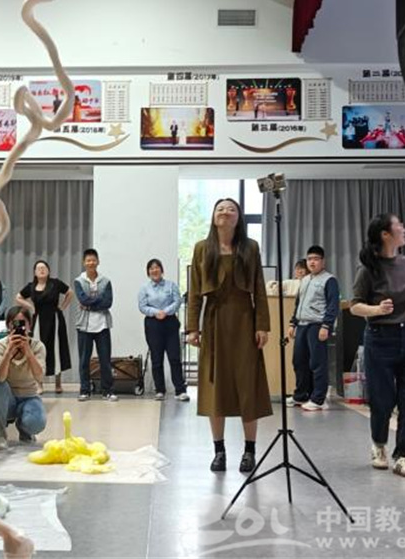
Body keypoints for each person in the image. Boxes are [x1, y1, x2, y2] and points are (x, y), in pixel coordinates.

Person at [187, 199, 271, 473]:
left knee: (248, 386)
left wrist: (262, 325)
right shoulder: (202, 248)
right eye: (220, 209)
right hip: (213, 322)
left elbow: (259, 288)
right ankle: (219, 451)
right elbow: (194, 291)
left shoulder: (250, 247)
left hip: (245, 320)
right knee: (216, 388)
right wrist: (192, 327)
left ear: (239, 218)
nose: (225, 212)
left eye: (231, 209)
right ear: (213, 217)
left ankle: (249, 451)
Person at [350, 213, 405, 479]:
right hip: (380, 339)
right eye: (399, 226)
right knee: (382, 401)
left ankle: (403, 456)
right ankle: (379, 445)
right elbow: (355, 306)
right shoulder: (368, 269)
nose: (404, 229)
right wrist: (376, 309)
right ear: (385, 234)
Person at [286, 245, 340, 411]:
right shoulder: (305, 280)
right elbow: (298, 303)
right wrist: (293, 323)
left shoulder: (329, 280)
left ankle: (318, 399)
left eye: (316, 259)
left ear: (323, 261)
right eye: (309, 259)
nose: (312, 262)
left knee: (317, 363)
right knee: (299, 361)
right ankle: (301, 395)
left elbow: (333, 305)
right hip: (302, 325)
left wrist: (326, 326)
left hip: (317, 325)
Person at [0, 306, 47, 449]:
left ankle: (25, 430)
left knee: (36, 423)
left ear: (29, 326)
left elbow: (39, 377)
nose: (19, 327)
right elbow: (0, 378)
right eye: (14, 323)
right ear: (8, 326)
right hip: (7, 399)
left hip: (29, 396)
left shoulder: (38, 346)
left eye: (23, 323)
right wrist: (8, 352)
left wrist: (28, 351)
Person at [16, 260, 74, 394]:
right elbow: (18, 297)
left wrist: (63, 306)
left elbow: (70, 292)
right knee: (38, 350)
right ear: (35, 272)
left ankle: (58, 384)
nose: (41, 270)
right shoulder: (31, 286)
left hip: (55, 320)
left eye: (44, 268)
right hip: (38, 321)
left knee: (57, 349)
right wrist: (30, 306)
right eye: (38, 268)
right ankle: (39, 384)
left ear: (48, 271)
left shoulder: (55, 283)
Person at [138, 258, 189, 402]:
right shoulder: (144, 289)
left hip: (170, 323)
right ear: (148, 272)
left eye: (157, 267)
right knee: (156, 358)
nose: (154, 270)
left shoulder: (171, 285)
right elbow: (142, 306)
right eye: (151, 268)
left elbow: (177, 301)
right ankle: (160, 390)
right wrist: (156, 312)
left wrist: (165, 312)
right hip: (153, 324)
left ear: (162, 270)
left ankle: (180, 390)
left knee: (174, 357)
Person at [73, 248, 117, 402]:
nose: (91, 263)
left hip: (102, 325)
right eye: (88, 260)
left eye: (93, 260)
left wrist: (89, 304)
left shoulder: (106, 281)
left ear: (98, 262)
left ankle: (107, 391)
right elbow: (82, 299)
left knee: (105, 360)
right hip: (84, 325)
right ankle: (84, 390)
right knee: (84, 360)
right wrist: (98, 299)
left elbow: (108, 302)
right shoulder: (78, 281)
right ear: (84, 263)